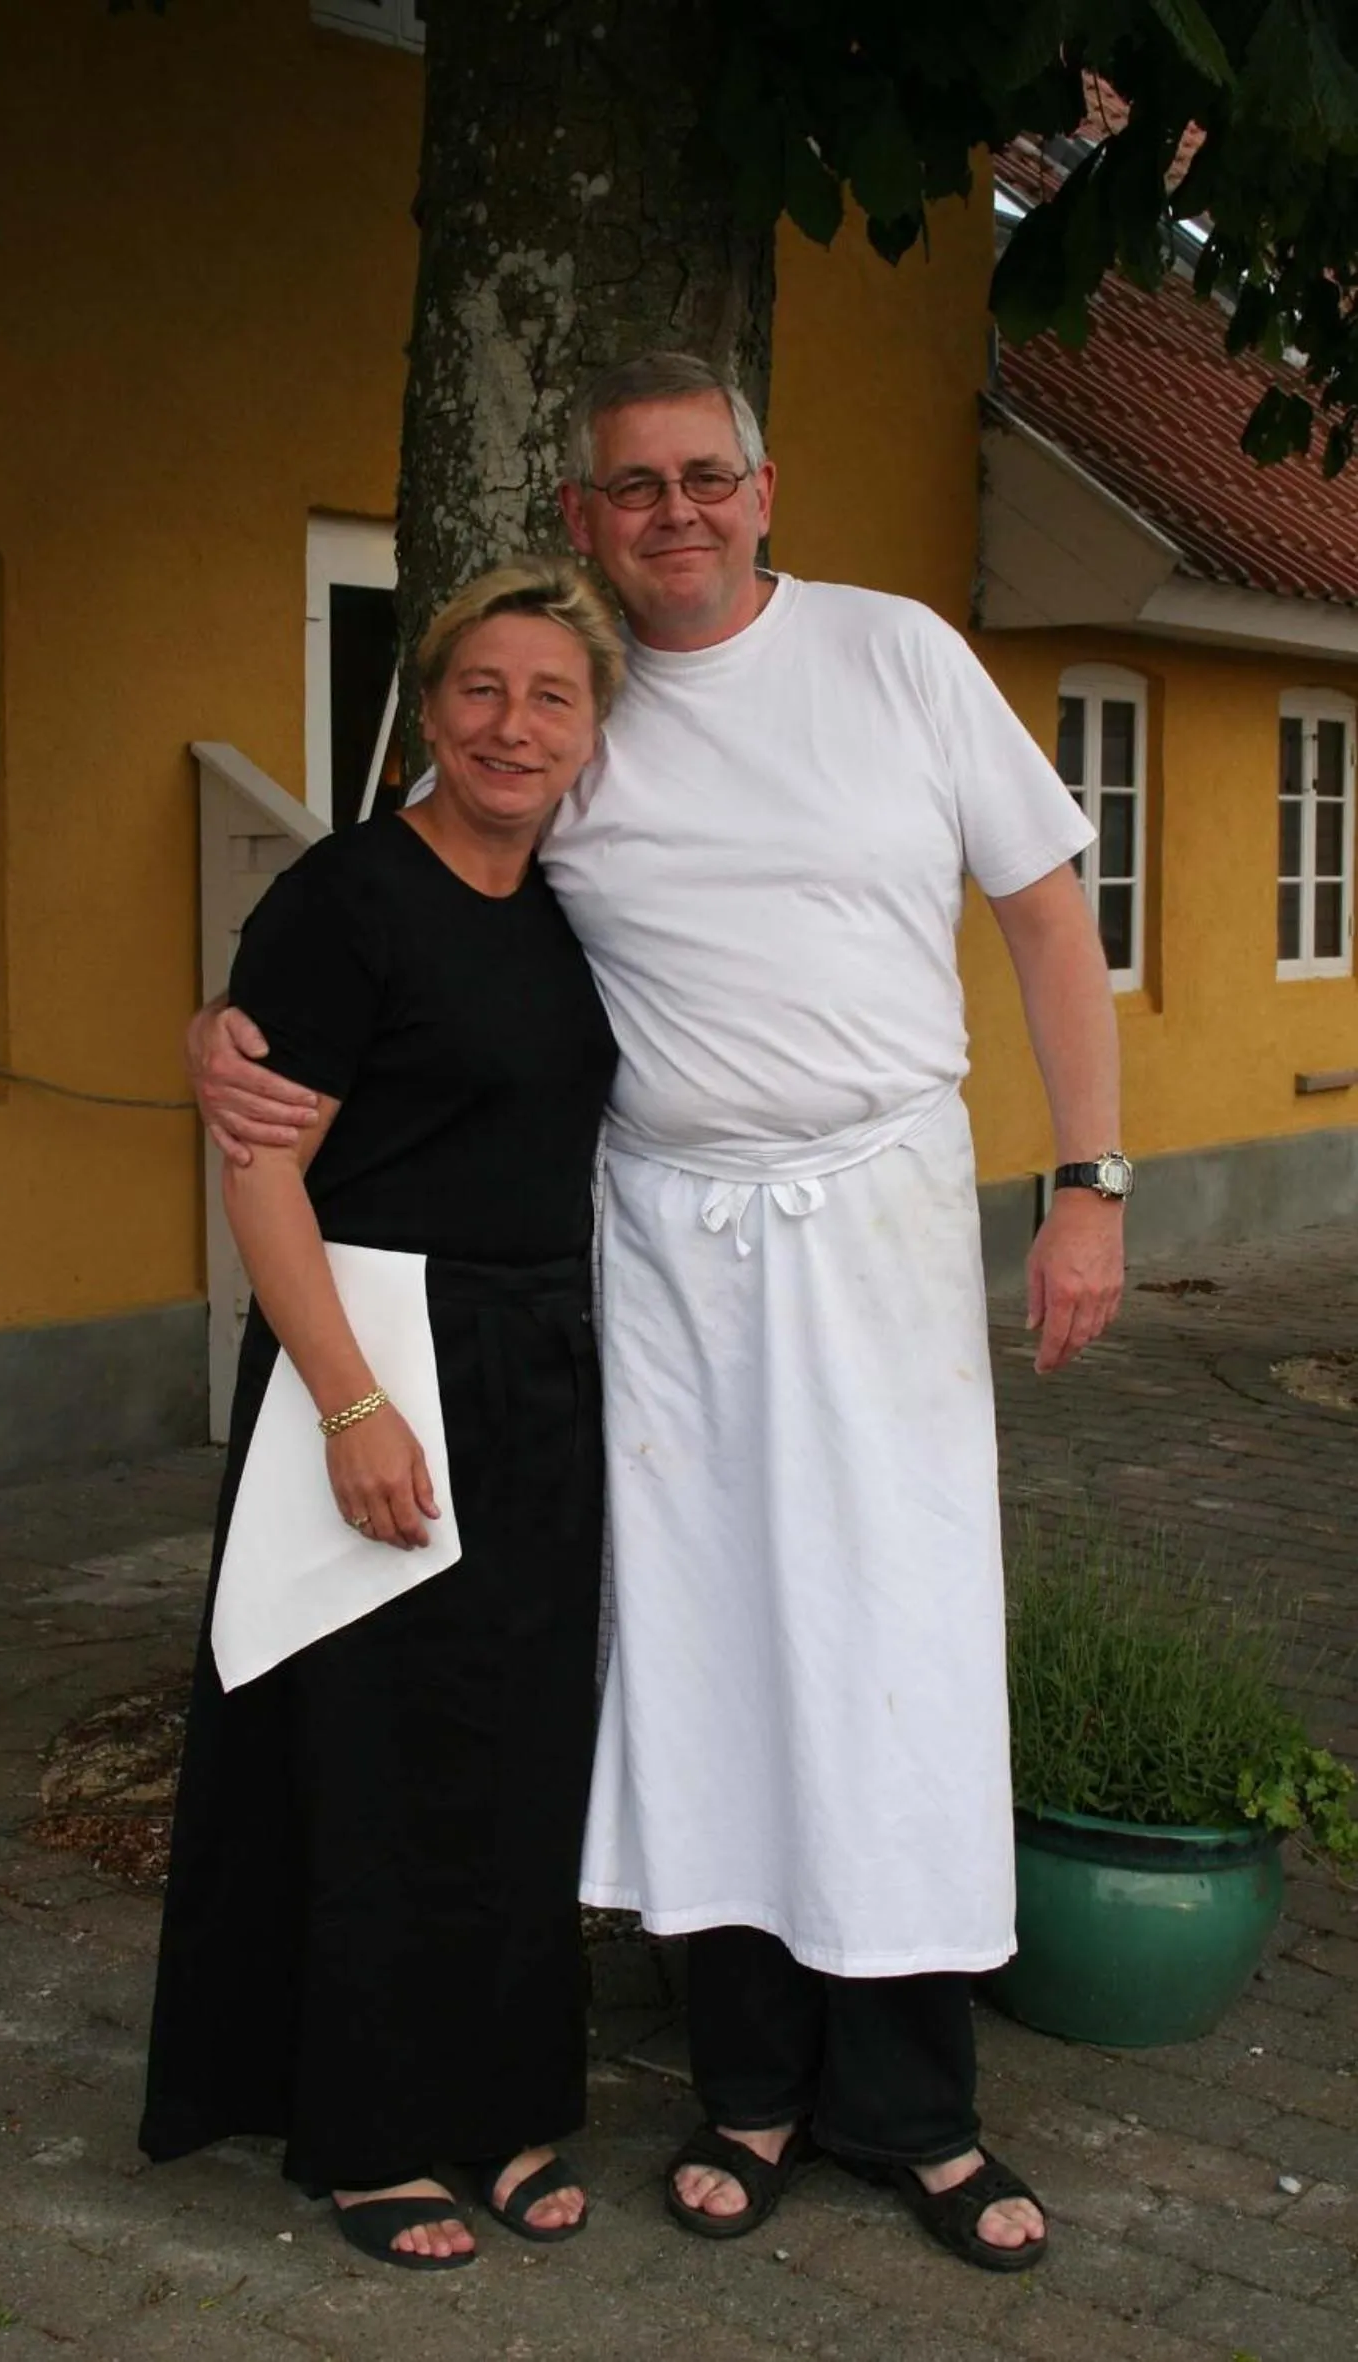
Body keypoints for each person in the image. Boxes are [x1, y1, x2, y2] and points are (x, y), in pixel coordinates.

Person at [189, 353, 1127, 2274]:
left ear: (764, 490)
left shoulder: (897, 657)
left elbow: (1043, 917)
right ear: (581, 516)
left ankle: (917, 2108)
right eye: (633, 487)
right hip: (665, 1238)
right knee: (701, 1646)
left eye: (704, 477)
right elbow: (416, 900)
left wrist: (1089, 1187)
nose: (672, 513)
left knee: (895, 1635)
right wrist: (227, 1036)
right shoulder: (586, 715)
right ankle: (751, 2085)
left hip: (875, 1210)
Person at [141, 558, 622, 2271]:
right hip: (374, 1356)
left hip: (538, 1374)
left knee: (513, 1760)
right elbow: (258, 1164)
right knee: (369, 1756)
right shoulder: (347, 897)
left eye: (550, 695)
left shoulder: (570, 905)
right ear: (425, 709)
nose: (512, 723)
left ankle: (498, 2102)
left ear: (588, 730)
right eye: (481, 688)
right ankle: (363, 2133)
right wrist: (347, 1399)